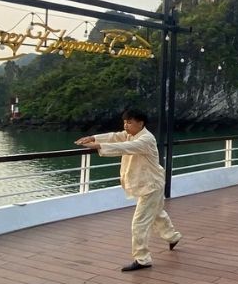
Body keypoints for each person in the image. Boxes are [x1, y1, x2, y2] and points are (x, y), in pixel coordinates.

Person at [75, 108, 182, 272]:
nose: (126, 125)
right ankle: (173, 237)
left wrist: (98, 145)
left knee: (139, 223)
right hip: (146, 184)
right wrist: (93, 137)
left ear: (141, 123)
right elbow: (115, 136)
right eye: (125, 122)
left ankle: (142, 259)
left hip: (150, 186)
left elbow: (125, 147)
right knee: (156, 213)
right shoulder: (131, 134)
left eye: (129, 122)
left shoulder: (145, 139)